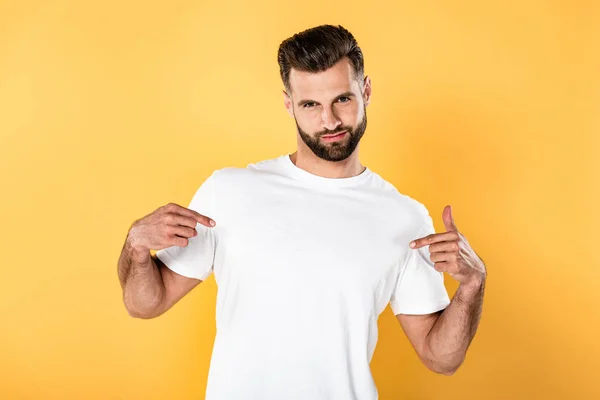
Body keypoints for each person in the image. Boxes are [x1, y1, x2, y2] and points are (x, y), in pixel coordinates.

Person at [117, 24, 487, 400]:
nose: (329, 121)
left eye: (342, 100)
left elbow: (442, 358)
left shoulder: (404, 217)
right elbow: (146, 303)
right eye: (311, 104)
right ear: (289, 104)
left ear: (366, 91)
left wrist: (472, 287)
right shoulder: (229, 191)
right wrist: (135, 248)